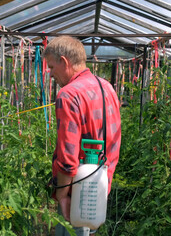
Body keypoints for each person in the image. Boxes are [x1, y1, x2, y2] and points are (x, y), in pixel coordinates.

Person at [43, 36, 121, 236]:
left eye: (51, 67)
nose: (50, 74)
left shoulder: (68, 95)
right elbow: (114, 139)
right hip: (100, 182)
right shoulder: (107, 87)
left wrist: (62, 196)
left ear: (65, 62)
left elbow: (68, 158)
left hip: (77, 188)